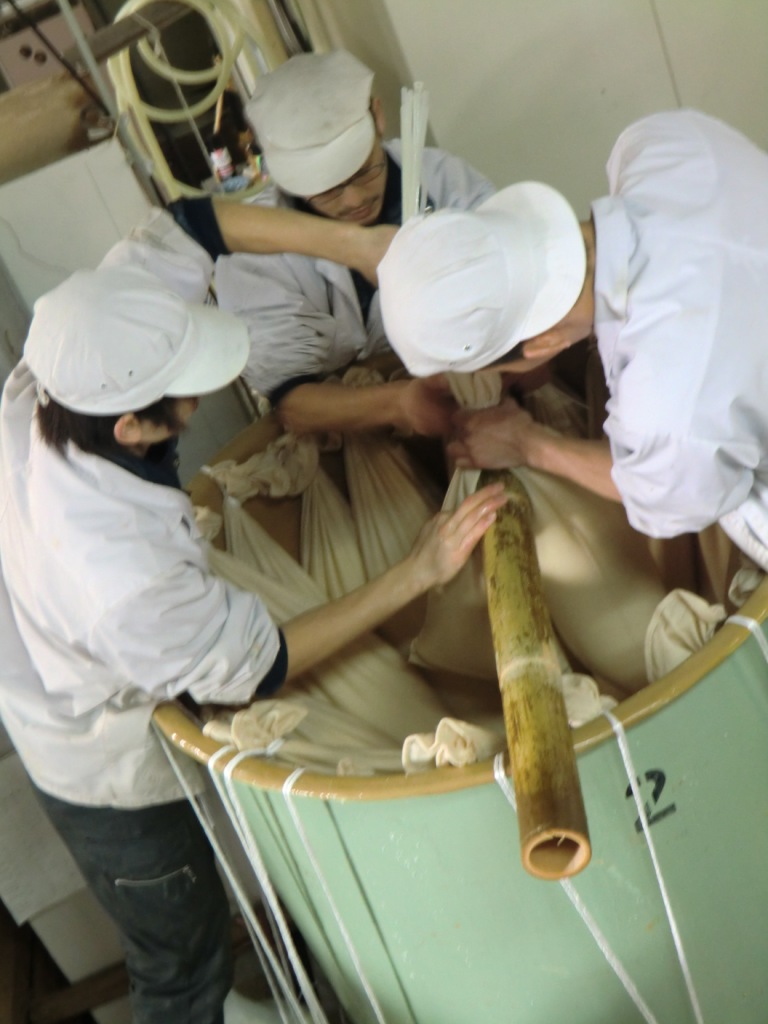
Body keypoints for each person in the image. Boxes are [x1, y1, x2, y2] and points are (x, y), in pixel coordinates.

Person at [0, 263, 506, 1024]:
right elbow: (264, 666)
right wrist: (418, 572)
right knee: (179, 965)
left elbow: (194, 233)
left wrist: (358, 243)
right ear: (130, 428)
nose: (200, 398)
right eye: (185, 392)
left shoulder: (54, 377)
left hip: (57, 665)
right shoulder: (124, 574)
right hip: (100, 765)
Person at [377, 109, 768, 576]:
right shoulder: (661, 144)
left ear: (544, 343)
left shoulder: (666, 411)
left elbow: (666, 495)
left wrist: (530, 443)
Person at [211, 49, 496, 437]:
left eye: (364, 170)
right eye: (326, 189)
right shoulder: (255, 255)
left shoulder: (444, 181)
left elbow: (512, 285)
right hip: (347, 426)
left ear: (377, 116)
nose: (353, 199)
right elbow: (292, 401)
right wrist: (399, 403)